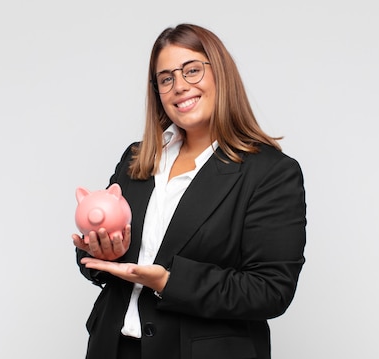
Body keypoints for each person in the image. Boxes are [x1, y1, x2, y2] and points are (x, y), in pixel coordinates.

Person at [72, 23, 307, 359]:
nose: (179, 86)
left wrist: (168, 282)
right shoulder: (137, 159)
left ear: (220, 75)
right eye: (166, 78)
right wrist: (102, 254)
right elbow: (97, 251)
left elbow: (271, 290)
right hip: (114, 348)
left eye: (192, 70)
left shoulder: (270, 173)